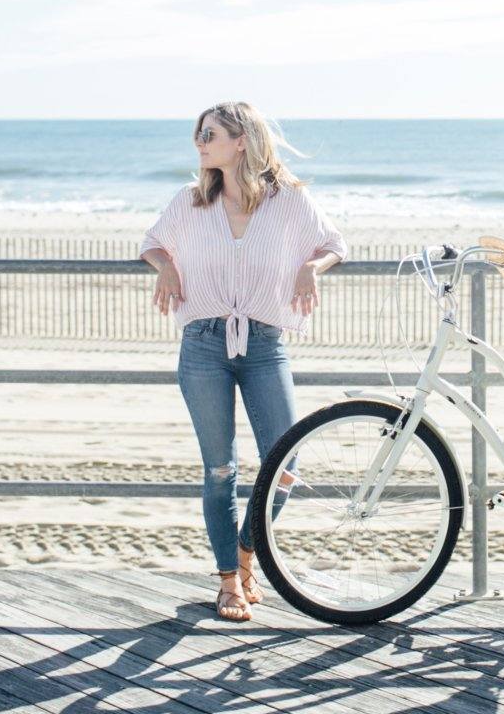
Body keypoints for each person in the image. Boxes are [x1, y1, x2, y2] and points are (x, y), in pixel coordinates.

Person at [139, 101, 347, 622]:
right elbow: (151, 244)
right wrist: (164, 267)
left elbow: (334, 244)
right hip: (203, 345)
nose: (200, 143)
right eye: (198, 134)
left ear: (241, 141)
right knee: (219, 471)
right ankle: (229, 583)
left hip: (265, 343)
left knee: (285, 467)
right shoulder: (189, 202)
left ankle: (246, 555)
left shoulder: (289, 201)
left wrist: (310, 268)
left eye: (209, 134)